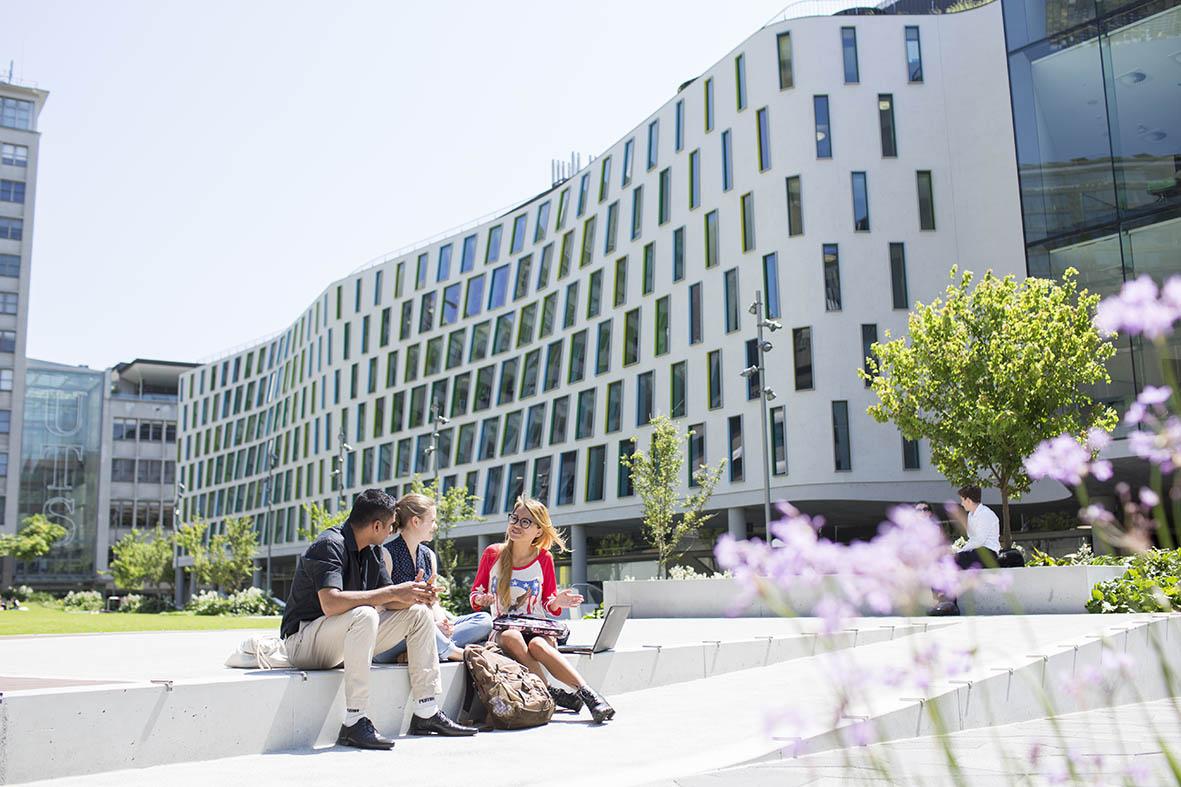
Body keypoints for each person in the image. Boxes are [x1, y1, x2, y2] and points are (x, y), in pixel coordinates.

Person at [280, 489, 477, 750]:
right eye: (390, 526)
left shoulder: (371, 552)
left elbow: (390, 600)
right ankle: (354, 720)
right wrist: (392, 591)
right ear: (376, 526)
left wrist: (415, 595)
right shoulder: (329, 545)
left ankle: (426, 712)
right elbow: (330, 603)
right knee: (365, 614)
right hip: (304, 642)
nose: (392, 532)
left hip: (339, 640)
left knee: (417, 615)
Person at [470, 496, 616, 723]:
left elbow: (548, 602)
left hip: (537, 627)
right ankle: (549, 693)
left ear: (538, 530)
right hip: (504, 628)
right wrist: (483, 598)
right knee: (513, 637)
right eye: (515, 519)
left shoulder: (544, 558)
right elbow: (474, 595)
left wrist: (557, 602)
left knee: (537, 644)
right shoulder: (493, 553)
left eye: (525, 522)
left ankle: (589, 695)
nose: (517, 525)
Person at [374, 492, 493, 663]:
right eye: (432, 521)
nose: (435, 526)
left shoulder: (428, 555)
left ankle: (425, 649)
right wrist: (428, 622)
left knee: (484, 620)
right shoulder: (386, 554)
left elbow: (434, 602)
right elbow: (381, 605)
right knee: (423, 623)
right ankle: (449, 651)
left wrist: (441, 622)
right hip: (393, 636)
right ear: (416, 521)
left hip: (428, 627)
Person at [955, 485, 1001, 569]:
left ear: (968, 500)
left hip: (989, 552)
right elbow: (972, 539)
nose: (961, 504)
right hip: (977, 551)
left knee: (959, 559)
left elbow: (979, 541)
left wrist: (961, 551)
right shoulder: (971, 515)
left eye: (962, 500)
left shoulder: (985, 514)